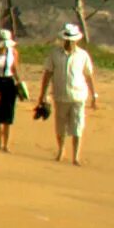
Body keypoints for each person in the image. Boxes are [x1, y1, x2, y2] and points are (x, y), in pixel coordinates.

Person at [30, 22, 101, 166]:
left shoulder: (83, 55)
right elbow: (48, 74)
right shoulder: (55, 54)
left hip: (78, 96)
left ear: (76, 40)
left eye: (71, 40)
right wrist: (42, 94)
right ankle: (61, 151)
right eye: (66, 39)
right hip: (60, 96)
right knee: (60, 126)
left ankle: (76, 156)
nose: (68, 42)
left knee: (77, 125)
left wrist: (94, 96)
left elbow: (89, 76)